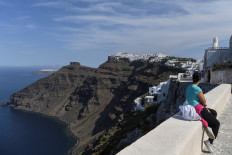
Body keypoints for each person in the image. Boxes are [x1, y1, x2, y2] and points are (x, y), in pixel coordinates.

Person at [185, 72, 220, 153]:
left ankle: (209, 127)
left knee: (214, 112)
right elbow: (204, 101)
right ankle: (209, 142)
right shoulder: (197, 89)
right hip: (198, 109)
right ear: (200, 80)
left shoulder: (189, 87)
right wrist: (205, 106)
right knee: (217, 124)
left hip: (191, 107)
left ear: (192, 79)